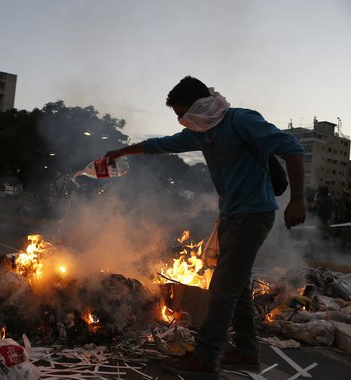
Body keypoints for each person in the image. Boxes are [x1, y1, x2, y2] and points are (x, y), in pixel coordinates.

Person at [105, 76, 306, 379]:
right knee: (236, 289)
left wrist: (298, 201)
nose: (181, 120)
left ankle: (205, 356)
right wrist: (122, 152)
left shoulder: (240, 120)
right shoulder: (202, 133)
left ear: (198, 105)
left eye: (182, 112)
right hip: (230, 217)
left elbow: (292, 147)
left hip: (254, 214)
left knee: (223, 288)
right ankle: (247, 352)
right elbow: (160, 145)